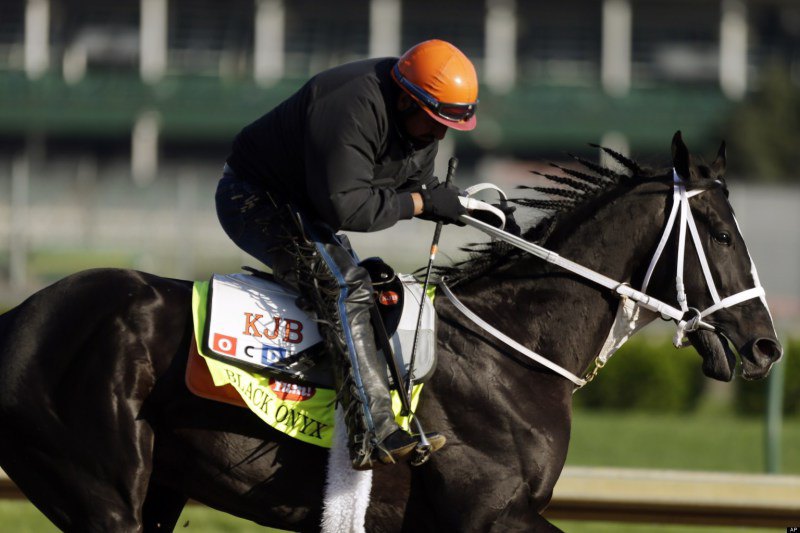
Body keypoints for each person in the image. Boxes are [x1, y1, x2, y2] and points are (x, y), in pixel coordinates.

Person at [215, 39, 478, 470]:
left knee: (374, 285)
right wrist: (422, 204)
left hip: (307, 210)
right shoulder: (349, 105)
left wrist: (468, 206)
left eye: (449, 124)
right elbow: (350, 207)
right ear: (407, 100)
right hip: (254, 199)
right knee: (346, 286)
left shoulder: (420, 122)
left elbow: (417, 187)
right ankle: (373, 433)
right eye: (434, 121)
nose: (441, 134)